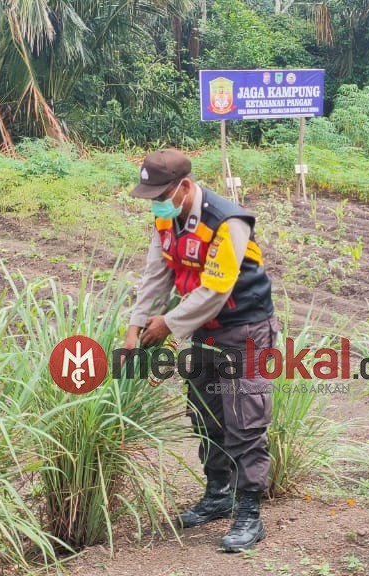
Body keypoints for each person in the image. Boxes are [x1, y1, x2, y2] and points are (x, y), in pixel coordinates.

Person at [123, 148, 280, 552]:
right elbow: (157, 272)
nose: (155, 203)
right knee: (207, 413)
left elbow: (215, 290)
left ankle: (249, 514)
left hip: (245, 328)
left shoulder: (227, 221)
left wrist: (168, 324)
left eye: (160, 194)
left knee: (244, 420)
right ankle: (218, 495)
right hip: (204, 332)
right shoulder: (166, 216)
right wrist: (135, 325)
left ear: (186, 187)